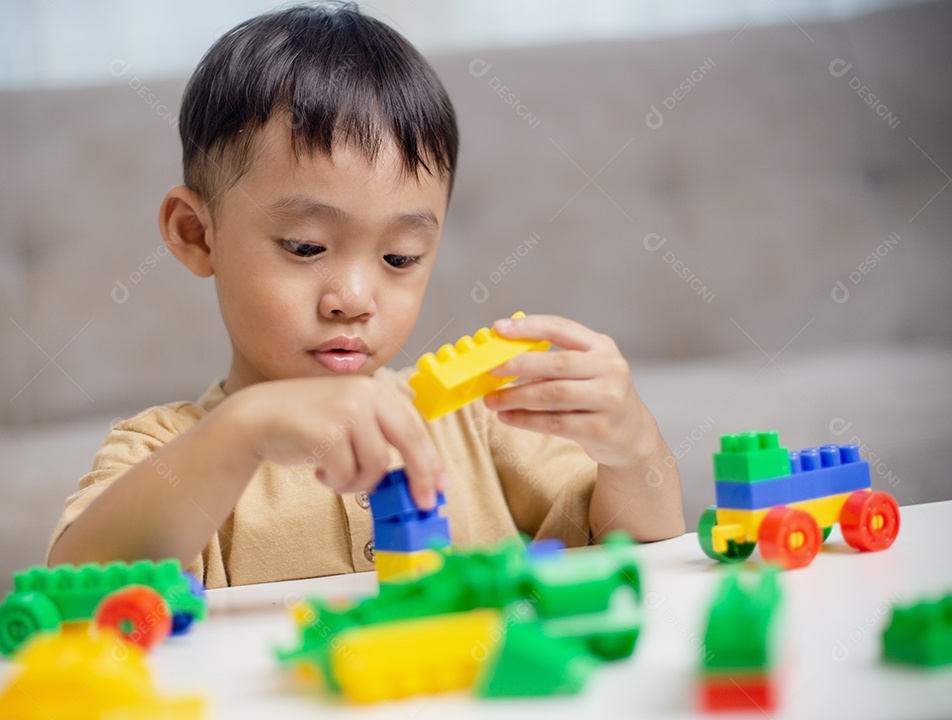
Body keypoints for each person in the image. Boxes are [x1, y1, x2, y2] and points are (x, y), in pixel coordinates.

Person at [47, 2, 684, 586]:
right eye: (304, 247)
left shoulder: (483, 422)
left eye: (399, 258)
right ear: (197, 234)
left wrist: (632, 448)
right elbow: (80, 588)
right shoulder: (165, 449)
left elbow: (638, 549)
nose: (353, 298)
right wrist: (240, 434)